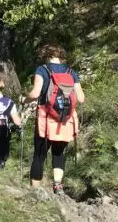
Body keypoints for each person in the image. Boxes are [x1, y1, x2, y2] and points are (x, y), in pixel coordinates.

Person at [25, 44, 84, 197]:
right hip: (65, 120)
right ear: (61, 55)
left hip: (46, 119)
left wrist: (25, 98)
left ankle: (35, 191)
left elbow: (35, 93)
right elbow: (81, 98)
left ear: (46, 55)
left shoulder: (42, 70)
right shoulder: (71, 72)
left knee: (39, 154)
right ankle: (58, 186)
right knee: (59, 153)